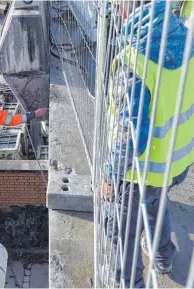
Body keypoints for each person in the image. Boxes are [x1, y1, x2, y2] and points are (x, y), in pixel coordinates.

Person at [104, 2, 194, 288]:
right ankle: (163, 256)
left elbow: (128, 136)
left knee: (124, 231)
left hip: (140, 169)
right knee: (156, 202)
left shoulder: (135, 59)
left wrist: (110, 175)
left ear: (125, 9)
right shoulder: (188, 40)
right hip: (175, 160)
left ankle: (129, 283)